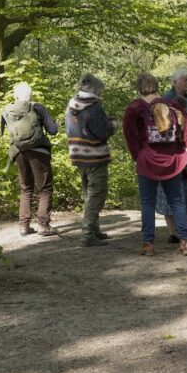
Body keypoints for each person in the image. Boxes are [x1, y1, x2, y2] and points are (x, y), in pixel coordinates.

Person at [123, 73, 187, 257]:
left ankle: (148, 245)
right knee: (177, 201)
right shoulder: (170, 104)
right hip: (172, 159)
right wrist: (185, 147)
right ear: (156, 85)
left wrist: (136, 155)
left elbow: (129, 133)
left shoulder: (135, 107)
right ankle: (185, 243)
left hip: (147, 159)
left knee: (147, 203)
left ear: (139, 87)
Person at [65, 73, 117, 247]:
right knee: (97, 195)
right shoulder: (94, 106)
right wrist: (112, 125)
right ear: (95, 89)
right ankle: (87, 234)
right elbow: (102, 132)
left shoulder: (72, 104)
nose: (101, 94)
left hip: (78, 154)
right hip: (95, 156)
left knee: (88, 193)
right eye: (101, 91)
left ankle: (94, 230)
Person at [1, 82, 59, 237]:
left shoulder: (7, 110)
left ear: (15, 96)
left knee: (26, 189)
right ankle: (43, 226)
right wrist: (56, 123)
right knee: (45, 188)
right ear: (31, 95)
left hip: (19, 152)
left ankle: (24, 226)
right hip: (39, 151)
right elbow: (53, 130)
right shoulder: (38, 107)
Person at [156, 68, 187, 243]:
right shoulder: (166, 100)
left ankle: (181, 231)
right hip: (170, 154)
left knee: (185, 194)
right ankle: (173, 233)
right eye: (185, 80)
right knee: (169, 195)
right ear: (175, 82)